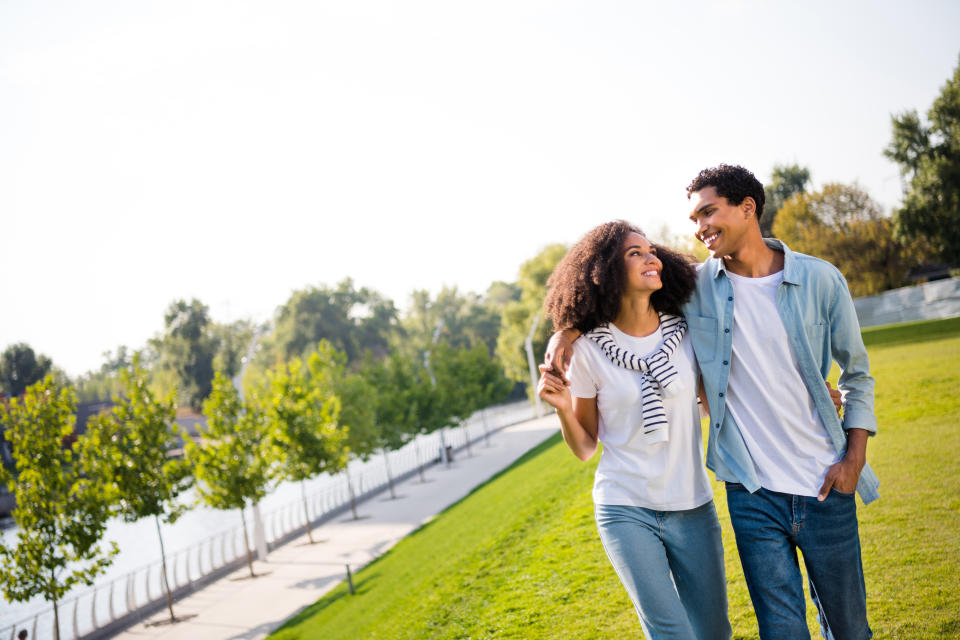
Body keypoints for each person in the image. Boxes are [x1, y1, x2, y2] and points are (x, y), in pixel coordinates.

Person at [546, 165, 878, 640]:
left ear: (748, 207)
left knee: (849, 629)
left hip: (825, 480)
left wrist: (853, 459)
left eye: (708, 212)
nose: (699, 227)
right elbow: (615, 296)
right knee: (781, 631)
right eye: (693, 219)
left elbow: (858, 372)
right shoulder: (696, 289)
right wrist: (566, 330)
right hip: (752, 492)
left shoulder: (821, 280)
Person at [536, 220, 732, 640]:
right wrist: (562, 409)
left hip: (692, 504)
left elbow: (721, 395)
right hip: (625, 507)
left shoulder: (686, 331)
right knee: (672, 633)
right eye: (634, 253)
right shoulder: (587, 351)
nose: (651, 258)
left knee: (714, 632)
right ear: (606, 270)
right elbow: (586, 447)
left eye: (650, 250)